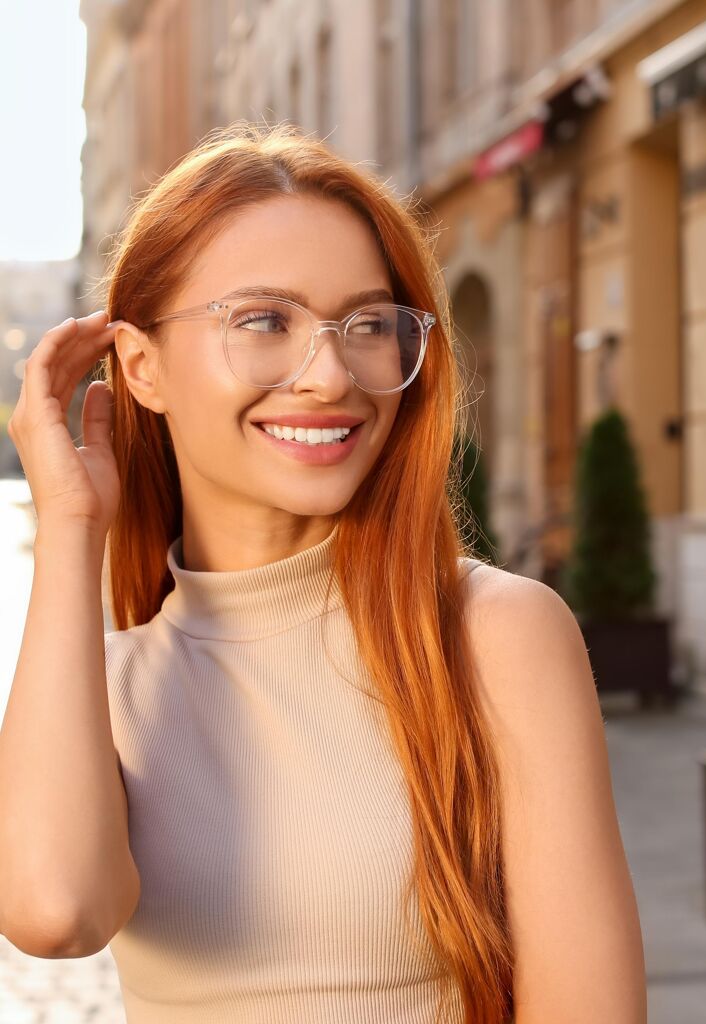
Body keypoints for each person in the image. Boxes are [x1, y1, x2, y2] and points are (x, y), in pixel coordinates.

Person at [0, 121, 647, 1024]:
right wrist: (72, 530)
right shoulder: (100, 686)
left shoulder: (494, 634)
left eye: (368, 325)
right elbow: (55, 912)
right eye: (265, 320)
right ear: (142, 367)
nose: (331, 376)